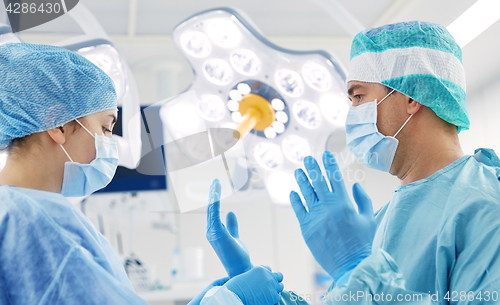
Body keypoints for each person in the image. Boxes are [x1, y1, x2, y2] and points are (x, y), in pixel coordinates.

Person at [205, 21, 500, 304]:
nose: (353, 114)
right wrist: (260, 292)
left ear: (411, 96)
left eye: (359, 96)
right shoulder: (382, 221)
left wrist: (358, 270)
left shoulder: (484, 209)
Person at [0, 43, 284, 305]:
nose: (111, 146)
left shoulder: (17, 213)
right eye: (106, 129)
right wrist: (229, 300)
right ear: (57, 125)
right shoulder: (36, 221)